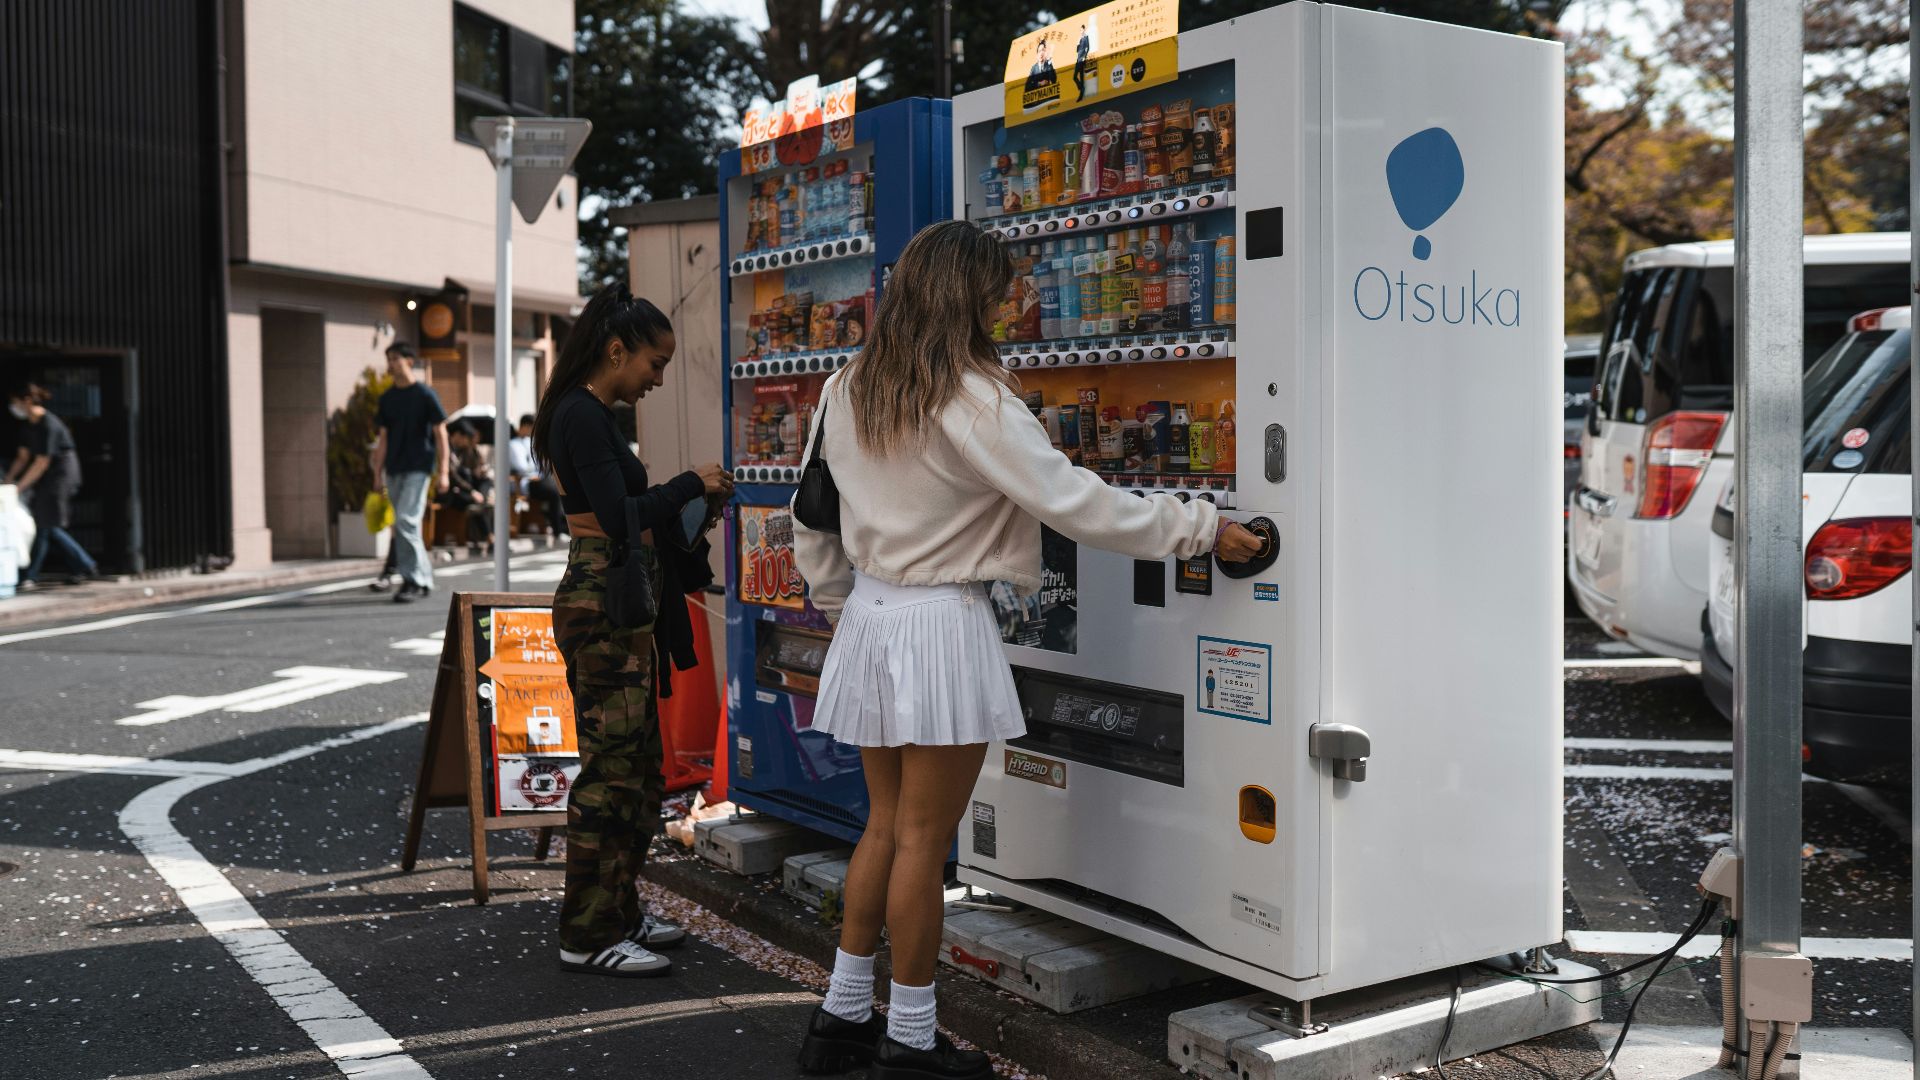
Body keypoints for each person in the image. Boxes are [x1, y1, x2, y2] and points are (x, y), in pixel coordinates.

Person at [790, 221, 1261, 1080]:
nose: (1013, 301)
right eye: (1002, 288)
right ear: (970, 295)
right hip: (938, 623)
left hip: (870, 615)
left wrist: (838, 606)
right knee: (926, 842)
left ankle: (842, 1020)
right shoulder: (971, 396)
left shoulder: (845, 383)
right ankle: (912, 1041)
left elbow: (811, 515)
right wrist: (1201, 528)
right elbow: (1078, 504)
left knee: (885, 826)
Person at [532, 282, 733, 978]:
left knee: (640, 772)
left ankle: (617, 911)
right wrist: (688, 484)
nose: (658, 378)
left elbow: (625, 514)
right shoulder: (582, 416)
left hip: (613, 599)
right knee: (610, 774)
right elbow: (621, 516)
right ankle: (586, 934)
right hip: (601, 600)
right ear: (616, 350)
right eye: (654, 364)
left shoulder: (586, 413)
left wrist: (691, 503)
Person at [369, 343, 449, 603]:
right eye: (388, 359)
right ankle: (423, 578)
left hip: (419, 467)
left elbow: (441, 434)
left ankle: (411, 580)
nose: (391, 364)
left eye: (395, 359)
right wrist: (377, 473)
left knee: (406, 521)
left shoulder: (425, 394)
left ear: (409, 361)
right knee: (403, 525)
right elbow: (383, 439)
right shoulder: (387, 399)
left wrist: (444, 471)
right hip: (394, 468)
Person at [5, 384, 103, 589]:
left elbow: (42, 462)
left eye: (14, 402)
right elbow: (23, 458)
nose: (12, 407)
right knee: (47, 525)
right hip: (45, 477)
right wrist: (8, 480)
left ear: (27, 401)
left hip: (61, 475)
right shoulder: (28, 426)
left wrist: (19, 487)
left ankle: (31, 574)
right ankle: (84, 565)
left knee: (45, 524)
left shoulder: (48, 424)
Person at [437, 421, 495, 555]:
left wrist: (479, 471)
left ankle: (489, 538)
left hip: (463, 491)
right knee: (478, 503)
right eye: (466, 438)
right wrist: (471, 491)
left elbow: (472, 473)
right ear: (457, 435)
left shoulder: (466, 451)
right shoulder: (446, 448)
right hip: (449, 491)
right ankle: (490, 539)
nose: (468, 441)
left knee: (481, 496)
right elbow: (453, 476)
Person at [509, 413, 567, 541]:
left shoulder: (531, 442)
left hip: (538, 479)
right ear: (524, 426)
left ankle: (562, 526)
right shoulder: (513, 445)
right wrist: (536, 470)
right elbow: (522, 467)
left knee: (559, 486)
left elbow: (540, 463)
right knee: (553, 492)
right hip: (525, 482)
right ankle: (558, 530)